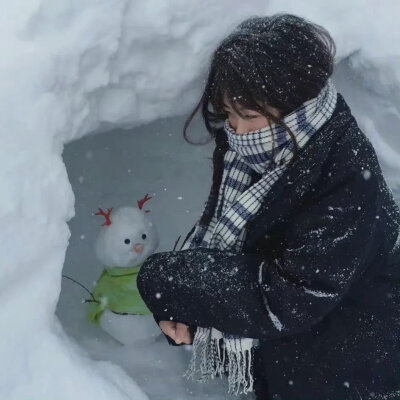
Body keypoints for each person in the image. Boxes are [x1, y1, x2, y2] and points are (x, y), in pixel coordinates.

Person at [137, 13, 400, 400]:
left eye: (249, 117)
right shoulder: (270, 143)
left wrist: (170, 282)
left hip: (350, 368)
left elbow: (286, 298)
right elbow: (248, 247)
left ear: (295, 105)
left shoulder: (345, 177)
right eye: (229, 114)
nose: (237, 132)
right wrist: (194, 315)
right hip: (298, 356)